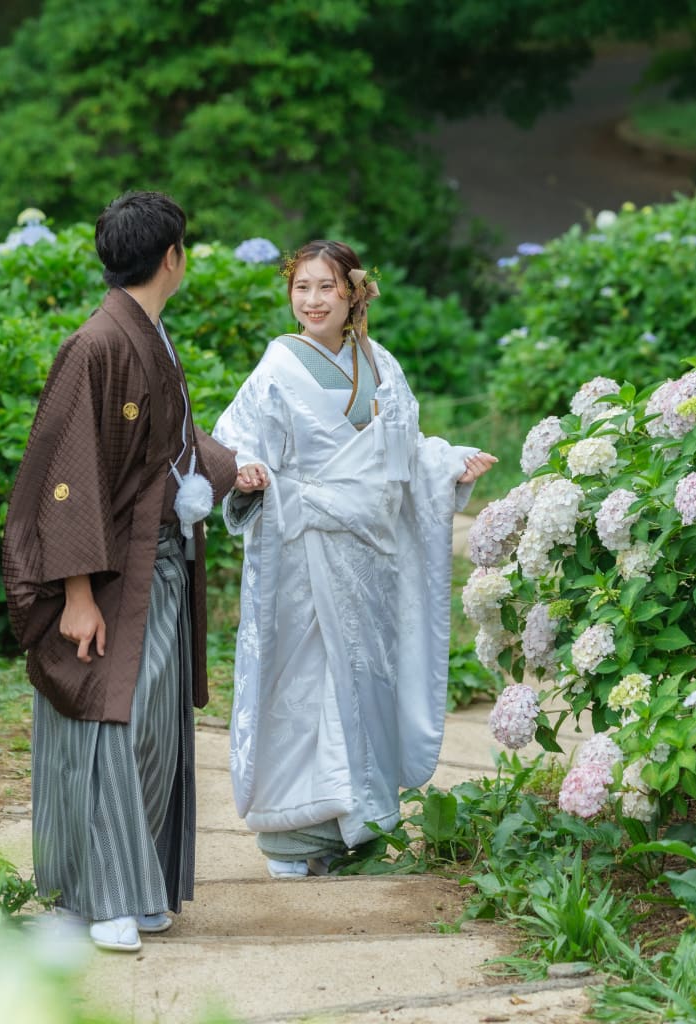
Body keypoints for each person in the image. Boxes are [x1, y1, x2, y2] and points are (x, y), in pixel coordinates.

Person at [212, 239, 496, 879]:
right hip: (303, 550)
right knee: (304, 685)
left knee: (363, 682)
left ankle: (347, 831)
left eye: (326, 287)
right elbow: (236, 442)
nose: (312, 301)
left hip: (368, 559)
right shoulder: (277, 368)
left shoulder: (381, 363)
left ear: (353, 294)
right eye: (301, 287)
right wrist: (247, 472)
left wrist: (449, 464)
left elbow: (407, 450)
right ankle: (292, 836)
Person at [2, 191, 237, 950]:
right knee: (109, 725)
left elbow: (169, 445)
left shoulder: (146, 335)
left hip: (154, 562)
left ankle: (138, 888)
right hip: (103, 576)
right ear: (173, 257)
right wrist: (74, 593)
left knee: (155, 728)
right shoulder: (98, 343)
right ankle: (97, 899)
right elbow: (68, 476)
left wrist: (229, 469)